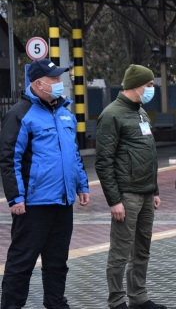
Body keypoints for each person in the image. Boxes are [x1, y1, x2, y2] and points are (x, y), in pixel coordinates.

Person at [0, 59, 90, 309]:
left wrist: (82, 185)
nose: (60, 84)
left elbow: (73, 153)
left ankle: (56, 304)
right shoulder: (19, 113)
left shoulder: (64, 113)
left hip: (62, 201)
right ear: (39, 83)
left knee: (57, 262)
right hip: (33, 204)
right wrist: (15, 197)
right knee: (21, 263)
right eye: (54, 80)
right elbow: (9, 159)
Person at [95, 65, 166, 309]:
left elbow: (149, 154)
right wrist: (114, 200)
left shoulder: (141, 113)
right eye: (149, 85)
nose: (151, 89)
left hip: (145, 193)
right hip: (126, 195)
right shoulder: (111, 115)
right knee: (120, 251)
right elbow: (103, 162)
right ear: (136, 85)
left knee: (142, 249)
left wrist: (154, 190)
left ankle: (138, 296)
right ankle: (116, 300)